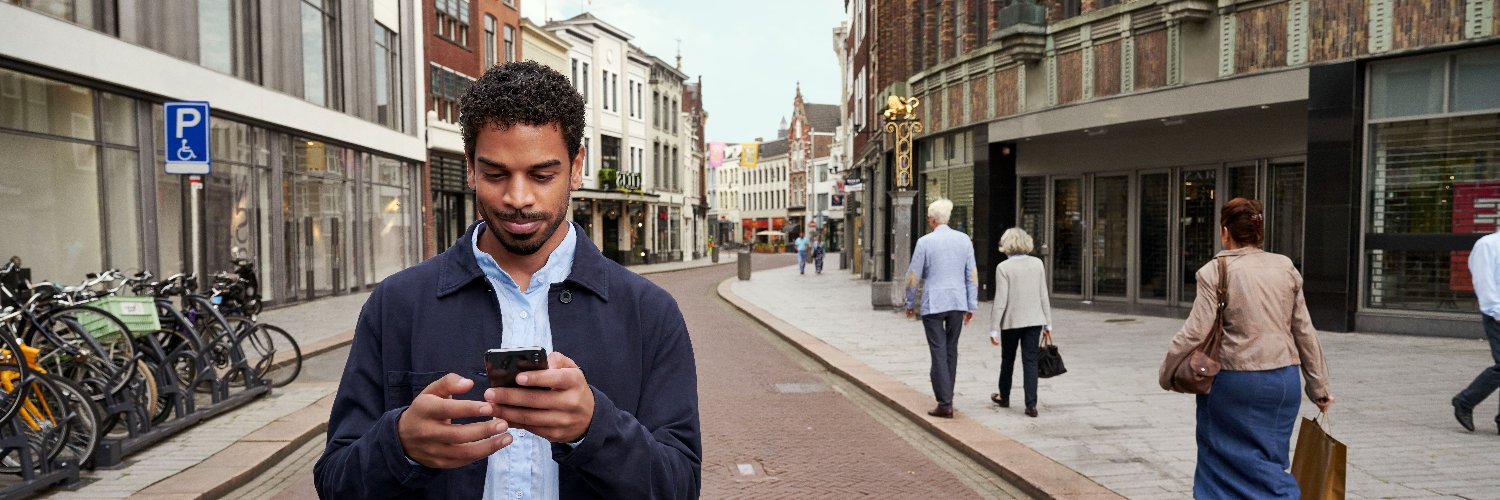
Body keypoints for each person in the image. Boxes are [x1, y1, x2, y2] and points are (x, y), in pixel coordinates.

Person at [314, 61, 701, 499]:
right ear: (471, 168)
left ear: (576, 168)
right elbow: (335, 482)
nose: (518, 198)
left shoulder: (650, 313)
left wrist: (596, 428)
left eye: (542, 175)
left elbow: (681, 487)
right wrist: (399, 445)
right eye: (496, 174)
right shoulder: (397, 304)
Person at [1158, 198, 1332, 499]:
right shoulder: (1284, 266)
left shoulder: (1215, 271)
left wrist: (1168, 372)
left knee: (1219, 463)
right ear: (1258, 230)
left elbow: (1194, 332)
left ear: (1225, 232)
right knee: (1270, 462)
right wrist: (1319, 386)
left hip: (1234, 382)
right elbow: (1303, 329)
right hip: (1284, 382)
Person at [904, 198, 978, 419]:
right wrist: (971, 304)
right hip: (957, 302)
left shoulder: (925, 242)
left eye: (928, 218)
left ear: (933, 220)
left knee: (938, 351)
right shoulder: (964, 240)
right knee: (951, 350)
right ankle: (948, 397)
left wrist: (909, 303)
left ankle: (945, 403)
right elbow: (971, 274)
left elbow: (913, 275)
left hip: (933, 302)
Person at [987, 228, 1052, 418]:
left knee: (1008, 359)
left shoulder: (1004, 268)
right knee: (1030, 360)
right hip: (1034, 320)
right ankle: (1031, 404)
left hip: (1011, 321)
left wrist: (993, 328)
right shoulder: (1037, 264)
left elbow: (1000, 301)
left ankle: (1004, 395)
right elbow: (1043, 295)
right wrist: (1048, 324)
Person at [1453, 229, 1500, 433]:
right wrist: (1496, 311)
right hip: (1496, 314)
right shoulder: (1488, 245)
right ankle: (1465, 401)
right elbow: (1483, 281)